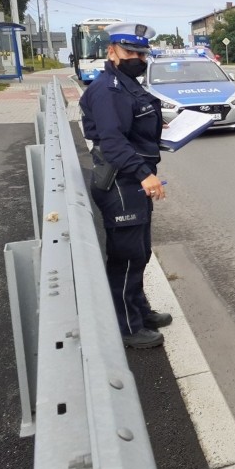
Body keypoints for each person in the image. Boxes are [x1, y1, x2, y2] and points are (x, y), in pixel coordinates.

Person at [79, 21, 172, 349]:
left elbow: (132, 123)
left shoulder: (125, 83)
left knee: (140, 252)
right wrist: (146, 176)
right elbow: (114, 143)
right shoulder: (109, 89)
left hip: (133, 179)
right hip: (122, 182)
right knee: (126, 257)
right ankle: (127, 327)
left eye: (141, 52)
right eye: (130, 51)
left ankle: (139, 309)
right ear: (112, 52)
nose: (137, 57)